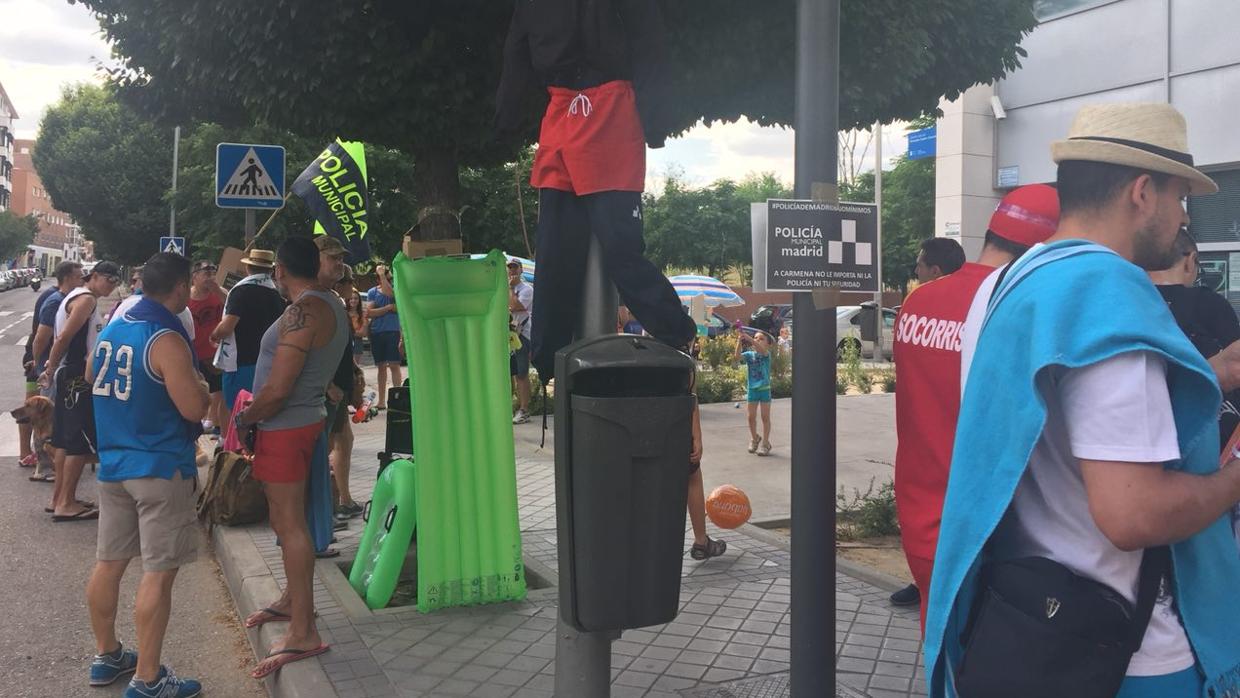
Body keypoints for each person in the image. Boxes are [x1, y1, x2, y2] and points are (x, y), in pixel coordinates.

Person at [926, 103, 1240, 698]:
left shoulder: (1018, 282)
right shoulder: (1111, 297)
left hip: (1028, 624)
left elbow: (1053, 422)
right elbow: (1133, 514)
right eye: (1181, 199)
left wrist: (1209, 373)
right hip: (1132, 655)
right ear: (1143, 193)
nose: (1181, 218)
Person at [889, 184, 1060, 620]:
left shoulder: (918, 302)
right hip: (984, 525)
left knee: (940, 643)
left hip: (920, 511)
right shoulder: (1013, 305)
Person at [85, 252, 208, 698]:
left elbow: (90, 375)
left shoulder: (114, 326)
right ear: (177, 288)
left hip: (114, 465)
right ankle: (149, 677)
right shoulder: (164, 338)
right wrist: (201, 388)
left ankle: (107, 654)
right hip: (158, 467)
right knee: (158, 572)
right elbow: (193, 408)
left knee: (109, 563)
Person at [235, 237, 346, 679]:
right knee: (288, 523)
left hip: (285, 426)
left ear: (279, 270)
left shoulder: (306, 311)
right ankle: (291, 602)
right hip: (298, 424)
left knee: (288, 525)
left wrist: (246, 418)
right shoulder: (327, 302)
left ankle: (304, 631)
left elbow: (279, 390)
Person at [40, 260, 122, 521]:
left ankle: (59, 499)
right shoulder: (86, 300)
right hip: (76, 375)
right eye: (109, 280)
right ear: (94, 276)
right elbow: (63, 336)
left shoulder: (81, 297)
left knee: (64, 440)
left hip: (71, 373)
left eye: (117, 281)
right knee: (77, 440)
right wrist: (50, 368)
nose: (113, 286)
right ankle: (66, 503)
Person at [1150, 230, 1240, 449]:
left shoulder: (1130, 303)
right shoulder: (1207, 303)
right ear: (1190, 262)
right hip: (1208, 434)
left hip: (1147, 434)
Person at [20, 260, 82, 469]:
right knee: (43, 417)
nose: (81, 278)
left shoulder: (67, 298)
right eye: (78, 275)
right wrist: (39, 366)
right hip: (49, 368)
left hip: (54, 367)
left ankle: (48, 462)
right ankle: (44, 465)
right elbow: (41, 336)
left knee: (51, 416)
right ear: (67, 278)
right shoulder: (55, 300)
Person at [210, 249, 285, 413]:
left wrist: (214, 335)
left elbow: (228, 326)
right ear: (270, 270)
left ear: (248, 268)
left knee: (238, 409)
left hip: (241, 361)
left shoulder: (241, 291)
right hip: (269, 362)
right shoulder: (277, 295)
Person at [330, 265, 363, 520]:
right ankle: (336, 501)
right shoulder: (333, 305)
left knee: (343, 440)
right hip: (331, 389)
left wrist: (354, 370)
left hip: (336, 386)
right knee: (335, 442)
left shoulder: (336, 305)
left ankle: (343, 497)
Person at [187, 261, 227, 432]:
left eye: (213, 272)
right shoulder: (187, 297)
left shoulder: (219, 293)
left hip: (215, 352)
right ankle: (198, 418)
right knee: (196, 388)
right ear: (194, 276)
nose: (210, 277)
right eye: (206, 273)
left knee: (218, 388)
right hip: (194, 352)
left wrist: (217, 289)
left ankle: (214, 421)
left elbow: (233, 303)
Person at [687, 387, 726, 561]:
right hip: (672, 422)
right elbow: (690, 389)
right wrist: (696, 435)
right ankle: (701, 542)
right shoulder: (678, 358)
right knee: (691, 477)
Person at [365, 264, 401, 410]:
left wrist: (382, 275)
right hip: (377, 331)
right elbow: (369, 312)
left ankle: (397, 398)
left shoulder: (395, 289)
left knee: (394, 365)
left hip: (393, 330)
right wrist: (387, 309)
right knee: (381, 366)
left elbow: (389, 294)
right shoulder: (372, 292)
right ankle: (381, 400)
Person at [734, 331, 773, 456]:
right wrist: (739, 341)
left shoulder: (766, 354)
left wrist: (750, 339)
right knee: (751, 417)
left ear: (767, 343)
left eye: (761, 339)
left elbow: (760, 349)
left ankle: (766, 443)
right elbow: (737, 356)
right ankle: (754, 438)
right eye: (756, 338)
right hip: (752, 389)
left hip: (764, 389)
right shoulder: (750, 355)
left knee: (765, 417)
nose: (758, 340)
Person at [508, 258, 534, 425]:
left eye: (515, 268)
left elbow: (517, 306)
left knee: (522, 373)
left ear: (521, 270)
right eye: (510, 268)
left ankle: (524, 409)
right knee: (510, 373)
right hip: (508, 335)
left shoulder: (527, 289)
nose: (512, 271)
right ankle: (511, 406)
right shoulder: (502, 289)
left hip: (523, 334)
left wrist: (509, 288)